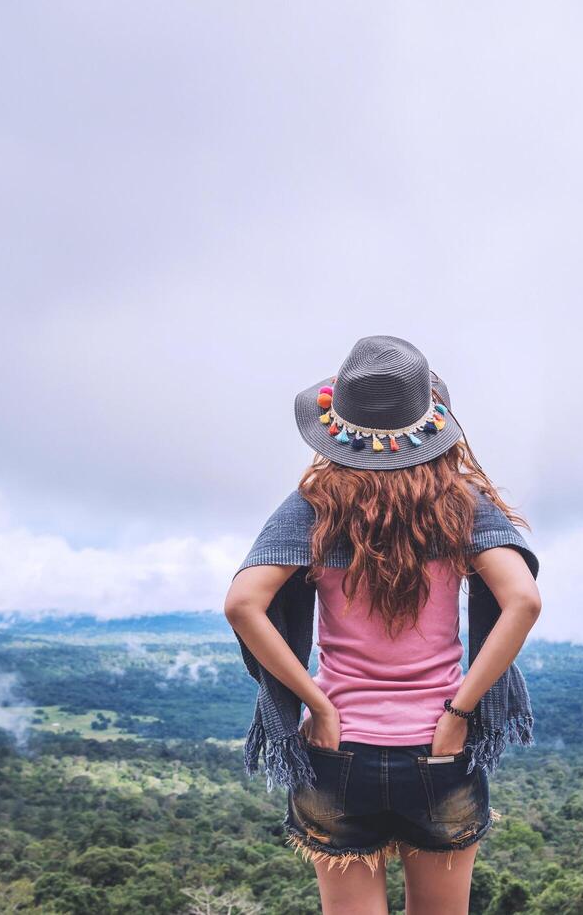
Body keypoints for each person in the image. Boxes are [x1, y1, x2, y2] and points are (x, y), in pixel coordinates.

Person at [224, 334, 542, 915]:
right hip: (440, 749)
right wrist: (460, 711)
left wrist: (317, 705)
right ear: (431, 423)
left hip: (336, 747)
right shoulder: (460, 505)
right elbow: (523, 599)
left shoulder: (317, 505)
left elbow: (243, 602)